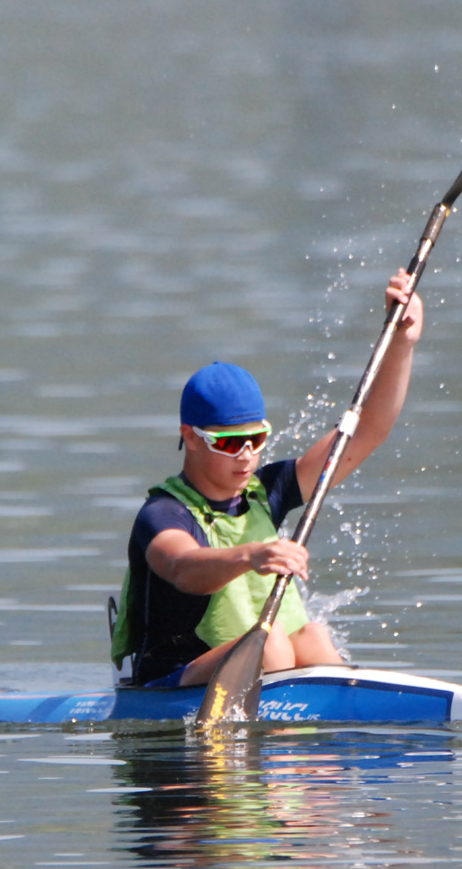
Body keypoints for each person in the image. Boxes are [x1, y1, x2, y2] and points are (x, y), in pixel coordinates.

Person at [111, 270, 424, 687]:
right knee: (271, 641)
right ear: (190, 436)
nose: (246, 456)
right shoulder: (163, 513)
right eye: (228, 444)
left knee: (312, 637)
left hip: (250, 672)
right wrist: (250, 556)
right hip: (171, 680)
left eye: (256, 439)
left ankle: (333, 734)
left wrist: (402, 343)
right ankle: (291, 740)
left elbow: (368, 431)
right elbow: (184, 568)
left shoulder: (267, 491)